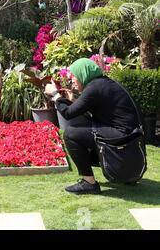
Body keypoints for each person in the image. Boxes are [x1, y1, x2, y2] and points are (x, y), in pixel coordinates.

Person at [44, 58, 140, 195]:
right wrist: (71, 101)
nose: (72, 81)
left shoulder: (94, 88)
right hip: (130, 137)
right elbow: (84, 113)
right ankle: (125, 171)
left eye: (74, 77)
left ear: (83, 74)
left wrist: (55, 94)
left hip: (121, 136)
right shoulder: (103, 83)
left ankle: (89, 183)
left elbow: (68, 113)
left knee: (71, 134)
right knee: (84, 129)